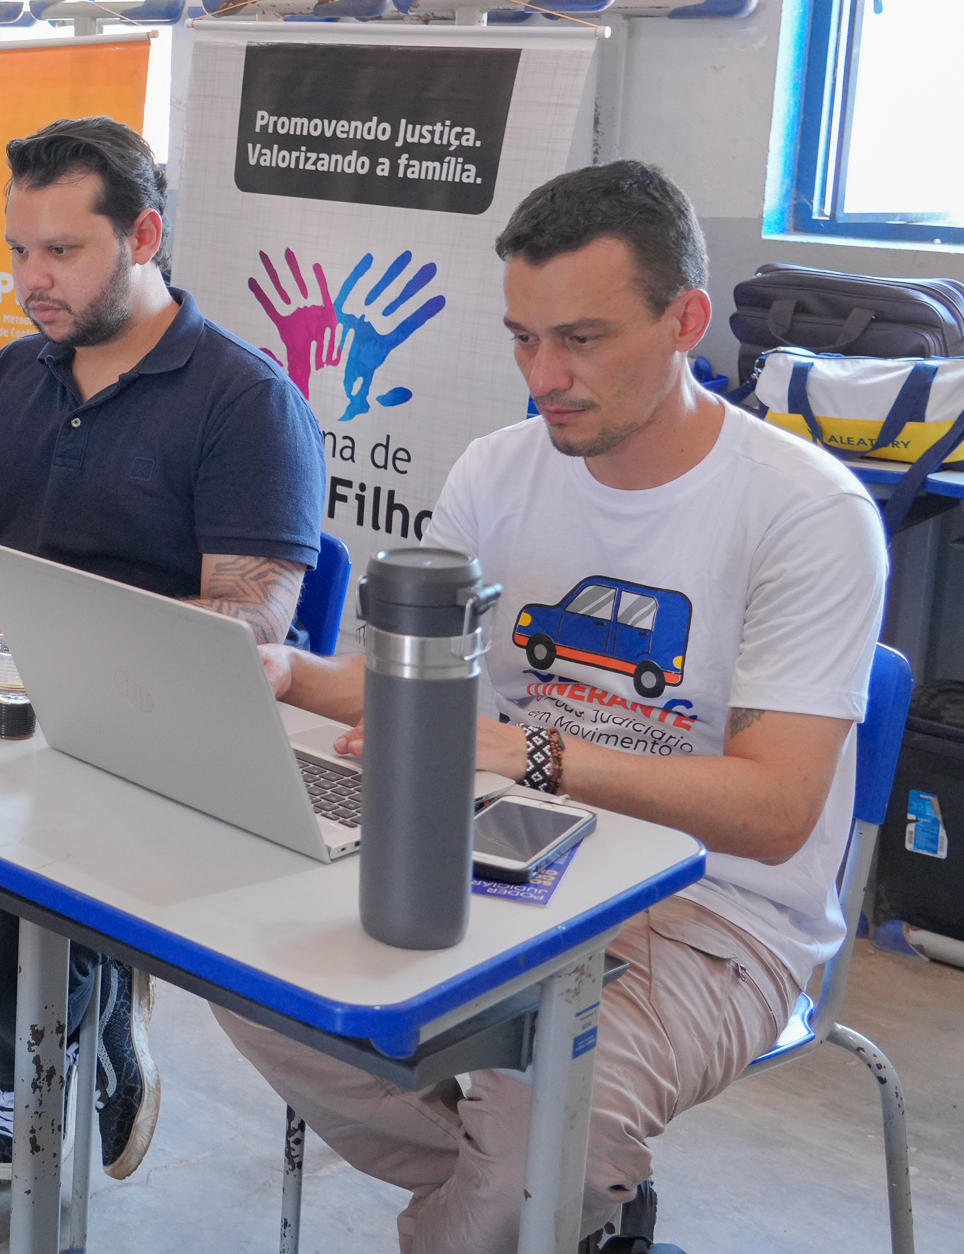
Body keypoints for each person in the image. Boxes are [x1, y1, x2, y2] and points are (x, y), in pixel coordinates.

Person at [224, 161, 885, 1253]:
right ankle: (569, 1199)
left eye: (580, 338)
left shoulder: (805, 513)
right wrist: (283, 673)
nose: (545, 374)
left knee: (534, 1110)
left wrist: (527, 755)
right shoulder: (495, 471)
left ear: (684, 320)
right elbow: (406, 685)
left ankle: (544, 1187)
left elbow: (773, 812)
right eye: (522, 338)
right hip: (505, 850)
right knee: (244, 967)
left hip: (717, 914)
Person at [0, 116, 328, 1182]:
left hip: (135, 745)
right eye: (17, 251)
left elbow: (247, 630)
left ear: (141, 237)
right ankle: (73, 992)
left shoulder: (243, 402)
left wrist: (31, 605)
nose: (29, 280)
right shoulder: (12, 377)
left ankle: (59, 1017)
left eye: (60, 252)